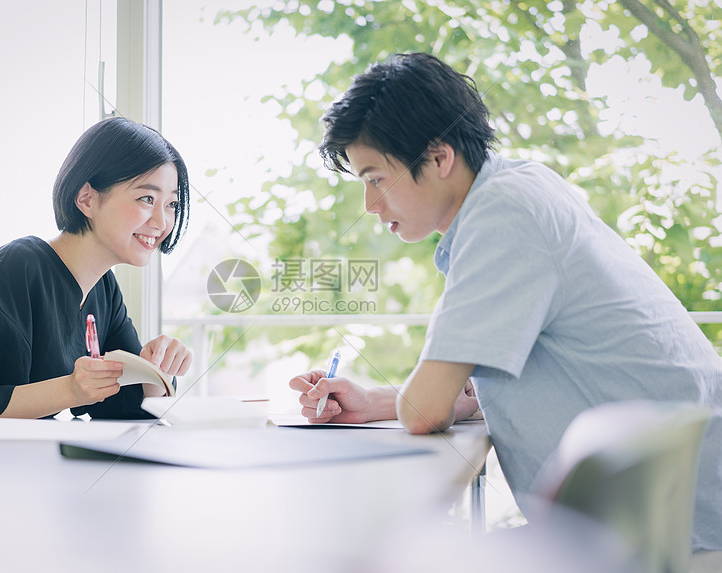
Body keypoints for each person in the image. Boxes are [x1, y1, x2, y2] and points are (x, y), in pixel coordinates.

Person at [288, 52, 722, 551]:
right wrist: (370, 403)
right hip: (659, 517)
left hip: (673, 537)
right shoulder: (518, 190)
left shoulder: (503, 217)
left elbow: (422, 411)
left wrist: (407, 404)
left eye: (375, 178)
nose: (369, 205)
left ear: (438, 156)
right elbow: (474, 393)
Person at [0, 117, 193, 432]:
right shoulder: (15, 270)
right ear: (87, 198)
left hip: (1, 452)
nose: (161, 221)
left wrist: (157, 372)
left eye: (171, 204)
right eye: (146, 199)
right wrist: (72, 389)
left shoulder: (104, 289)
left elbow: (122, 406)